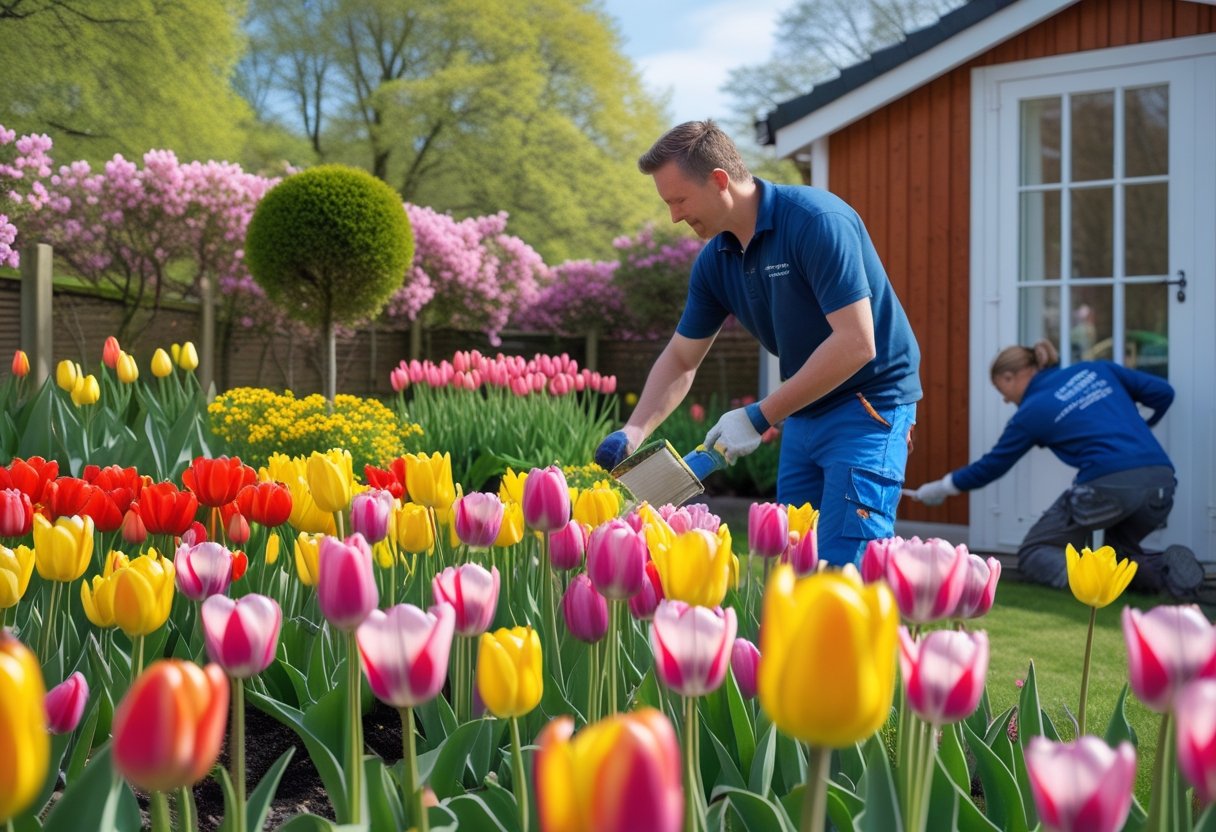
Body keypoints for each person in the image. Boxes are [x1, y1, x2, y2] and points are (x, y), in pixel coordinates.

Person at [593, 120, 922, 567]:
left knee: (846, 569)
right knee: (790, 564)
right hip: (803, 411)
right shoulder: (716, 261)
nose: (674, 216)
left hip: (868, 407)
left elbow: (856, 344)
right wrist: (634, 431)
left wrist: (759, 416)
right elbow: (682, 358)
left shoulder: (815, 222)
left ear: (719, 181)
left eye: (679, 200)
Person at [908, 339, 1204, 597]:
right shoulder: (1097, 369)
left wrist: (941, 487)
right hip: (1161, 483)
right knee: (1118, 557)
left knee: (1034, 552)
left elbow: (992, 466)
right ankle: (1165, 569)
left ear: (1011, 377)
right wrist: (1141, 425)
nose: (1006, 399)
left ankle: (1092, 586)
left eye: (1002, 389)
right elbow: (1163, 393)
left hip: (1106, 488)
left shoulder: (1032, 411)